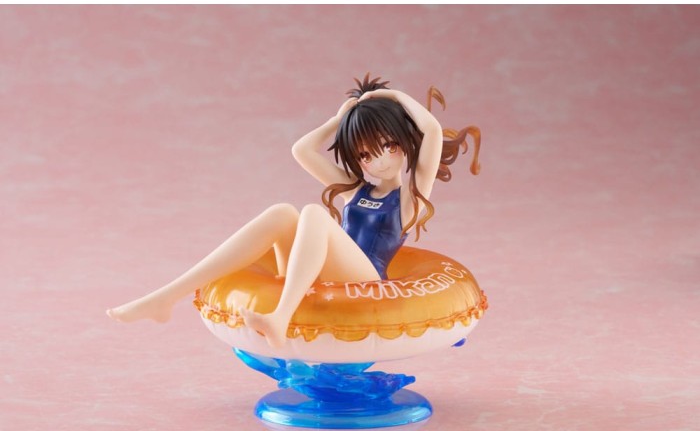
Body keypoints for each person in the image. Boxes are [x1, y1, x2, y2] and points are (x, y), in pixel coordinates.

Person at [106, 74, 481, 348]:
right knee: (283, 213)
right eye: (366, 154)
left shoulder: (411, 199)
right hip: (324, 275)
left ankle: (279, 318)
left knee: (314, 214)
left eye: (389, 146)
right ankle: (165, 297)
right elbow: (302, 150)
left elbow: (431, 131)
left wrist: (393, 96)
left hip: (367, 282)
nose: (379, 160)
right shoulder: (356, 189)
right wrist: (341, 119)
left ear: (404, 144)